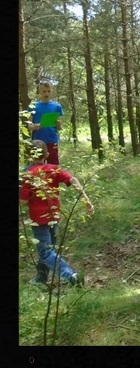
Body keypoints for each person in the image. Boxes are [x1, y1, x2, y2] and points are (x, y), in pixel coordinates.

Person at [19, 139, 94, 287]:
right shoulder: (53, 169)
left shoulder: (27, 174)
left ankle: (71, 276)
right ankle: (41, 279)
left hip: (38, 219)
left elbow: (23, 201)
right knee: (48, 249)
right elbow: (72, 179)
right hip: (54, 216)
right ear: (46, 155)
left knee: (45, 252)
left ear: (28, 156)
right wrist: (86, 200)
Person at [27, 80, 64, 165]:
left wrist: (58, 124)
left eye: (48, 91)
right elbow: (29, 125)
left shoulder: (57, 106)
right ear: (39, 91)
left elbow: (59, 127)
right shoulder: (33, 106)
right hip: (37, 140)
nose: (46, 93)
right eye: (44, 91)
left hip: (52, 139)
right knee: (37, 166)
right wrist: (33, 127)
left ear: (51, 91)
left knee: (53, 166)